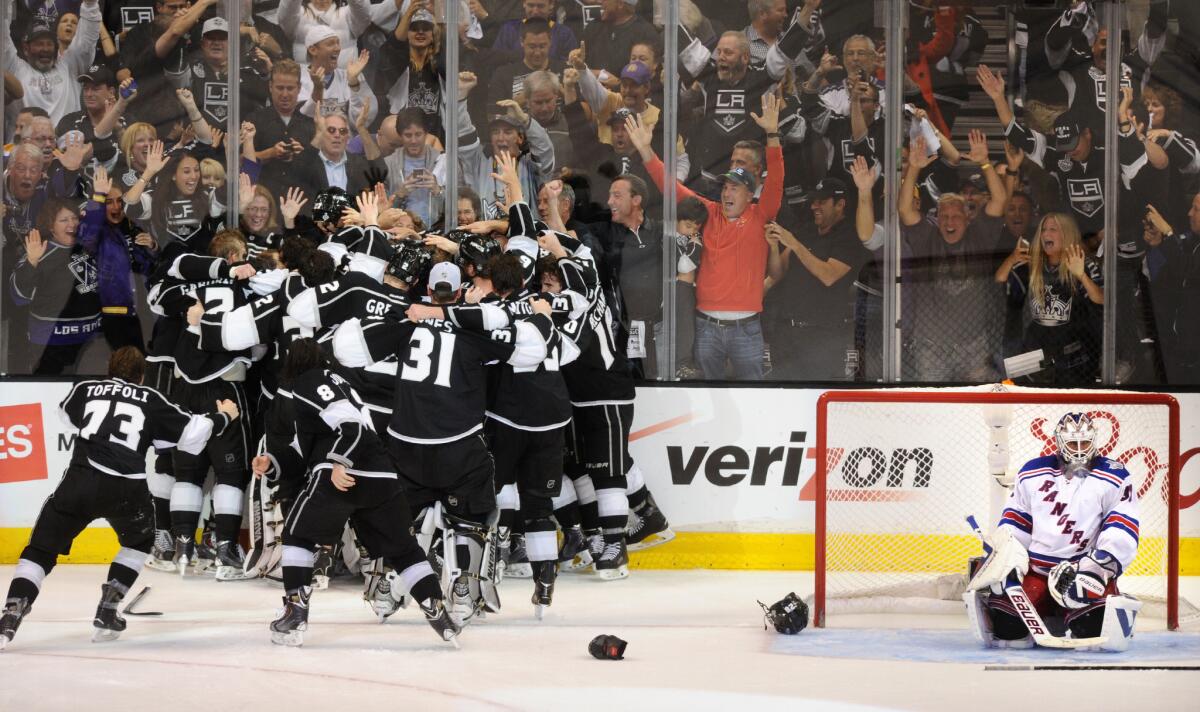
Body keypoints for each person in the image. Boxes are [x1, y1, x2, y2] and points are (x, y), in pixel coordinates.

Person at [0, 347, 240, 650]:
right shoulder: (152, 400)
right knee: (139, 543)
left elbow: (66, 415)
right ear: (142, 376)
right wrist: (224, 415)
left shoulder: (85, 389)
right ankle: (108, 609)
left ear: (108, 368)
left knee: (40, 551)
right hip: (127, 490)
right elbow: (194, 432)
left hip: (80, 483)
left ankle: (11, 614)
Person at [253, 339, 459, 647]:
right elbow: (305, 448)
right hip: (382, 477)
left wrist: (339, 462)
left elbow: (351, 427)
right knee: (403, 549)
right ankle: (436, 609)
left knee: (297, 535)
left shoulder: (310, 381)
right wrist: (273, 463)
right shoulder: (340, 382)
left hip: (344, 472)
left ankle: (295, 611)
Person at [630, 98, 785, 380]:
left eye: (735, 189)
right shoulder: (708, 212)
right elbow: (670, 186)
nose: (727, 193)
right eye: (725, 187)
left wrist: (773, 136)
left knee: (754, 399)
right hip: (706, 327)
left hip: (746, 329)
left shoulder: (761, 214)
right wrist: (644, 149)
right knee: (706, 401)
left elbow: (776, 181)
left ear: (750, 194)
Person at [975, 413, 1140, 648]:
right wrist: (1005, 559)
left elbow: (1122, 525)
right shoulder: (1032, 472)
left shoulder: (1114, 476)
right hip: (1037, 571)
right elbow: (1016, 522)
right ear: (1060, 443)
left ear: (1094, 441)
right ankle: (1047, 610)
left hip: (1081, 570)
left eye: (1085, 443)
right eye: (1073, 443)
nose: (1080, 450)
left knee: (1093, 628)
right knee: (1006, 627)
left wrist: (1098, 568)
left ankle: (1070, 610)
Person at [899, 134, 1009, 382]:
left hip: (974, 347)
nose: (950, 222)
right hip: (931, 347)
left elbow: (1000, 200)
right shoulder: (926, 238)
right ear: (936, 219)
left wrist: (985, 164)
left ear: (967, 218)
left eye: (956, 216)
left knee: (976, 410)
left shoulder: (980, 235)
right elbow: (905, 209)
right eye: (944, 217)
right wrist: (913, 169)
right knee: (933, 410)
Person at [764, 177, 871, 381]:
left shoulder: (849, 236)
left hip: (823, 338)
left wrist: (795, 244)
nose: (814, 206)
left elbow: (828, 275)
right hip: (786, 333)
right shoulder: (806, 230)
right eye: (813, 201)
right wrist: (774, 247)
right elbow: (778, 273)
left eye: (822, 201)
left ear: (840, 204)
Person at [10, 198, 103, 374]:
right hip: (51, 344)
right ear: (51, 226)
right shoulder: (38, 253)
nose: (72, 224)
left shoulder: (89, 247)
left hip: (91, 341)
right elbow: (19, 297)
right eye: (64, 220)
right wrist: (31, 262)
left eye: (74, 218)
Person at [3, 0, 100, 125]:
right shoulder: (14, 68)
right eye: (39, 44)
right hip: (24, 143)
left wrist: (90, 5)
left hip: (66, 143)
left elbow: (87, 40)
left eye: (49, 44)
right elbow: (2, 35)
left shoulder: (70, 66)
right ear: (26, 49)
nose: (45, 49)